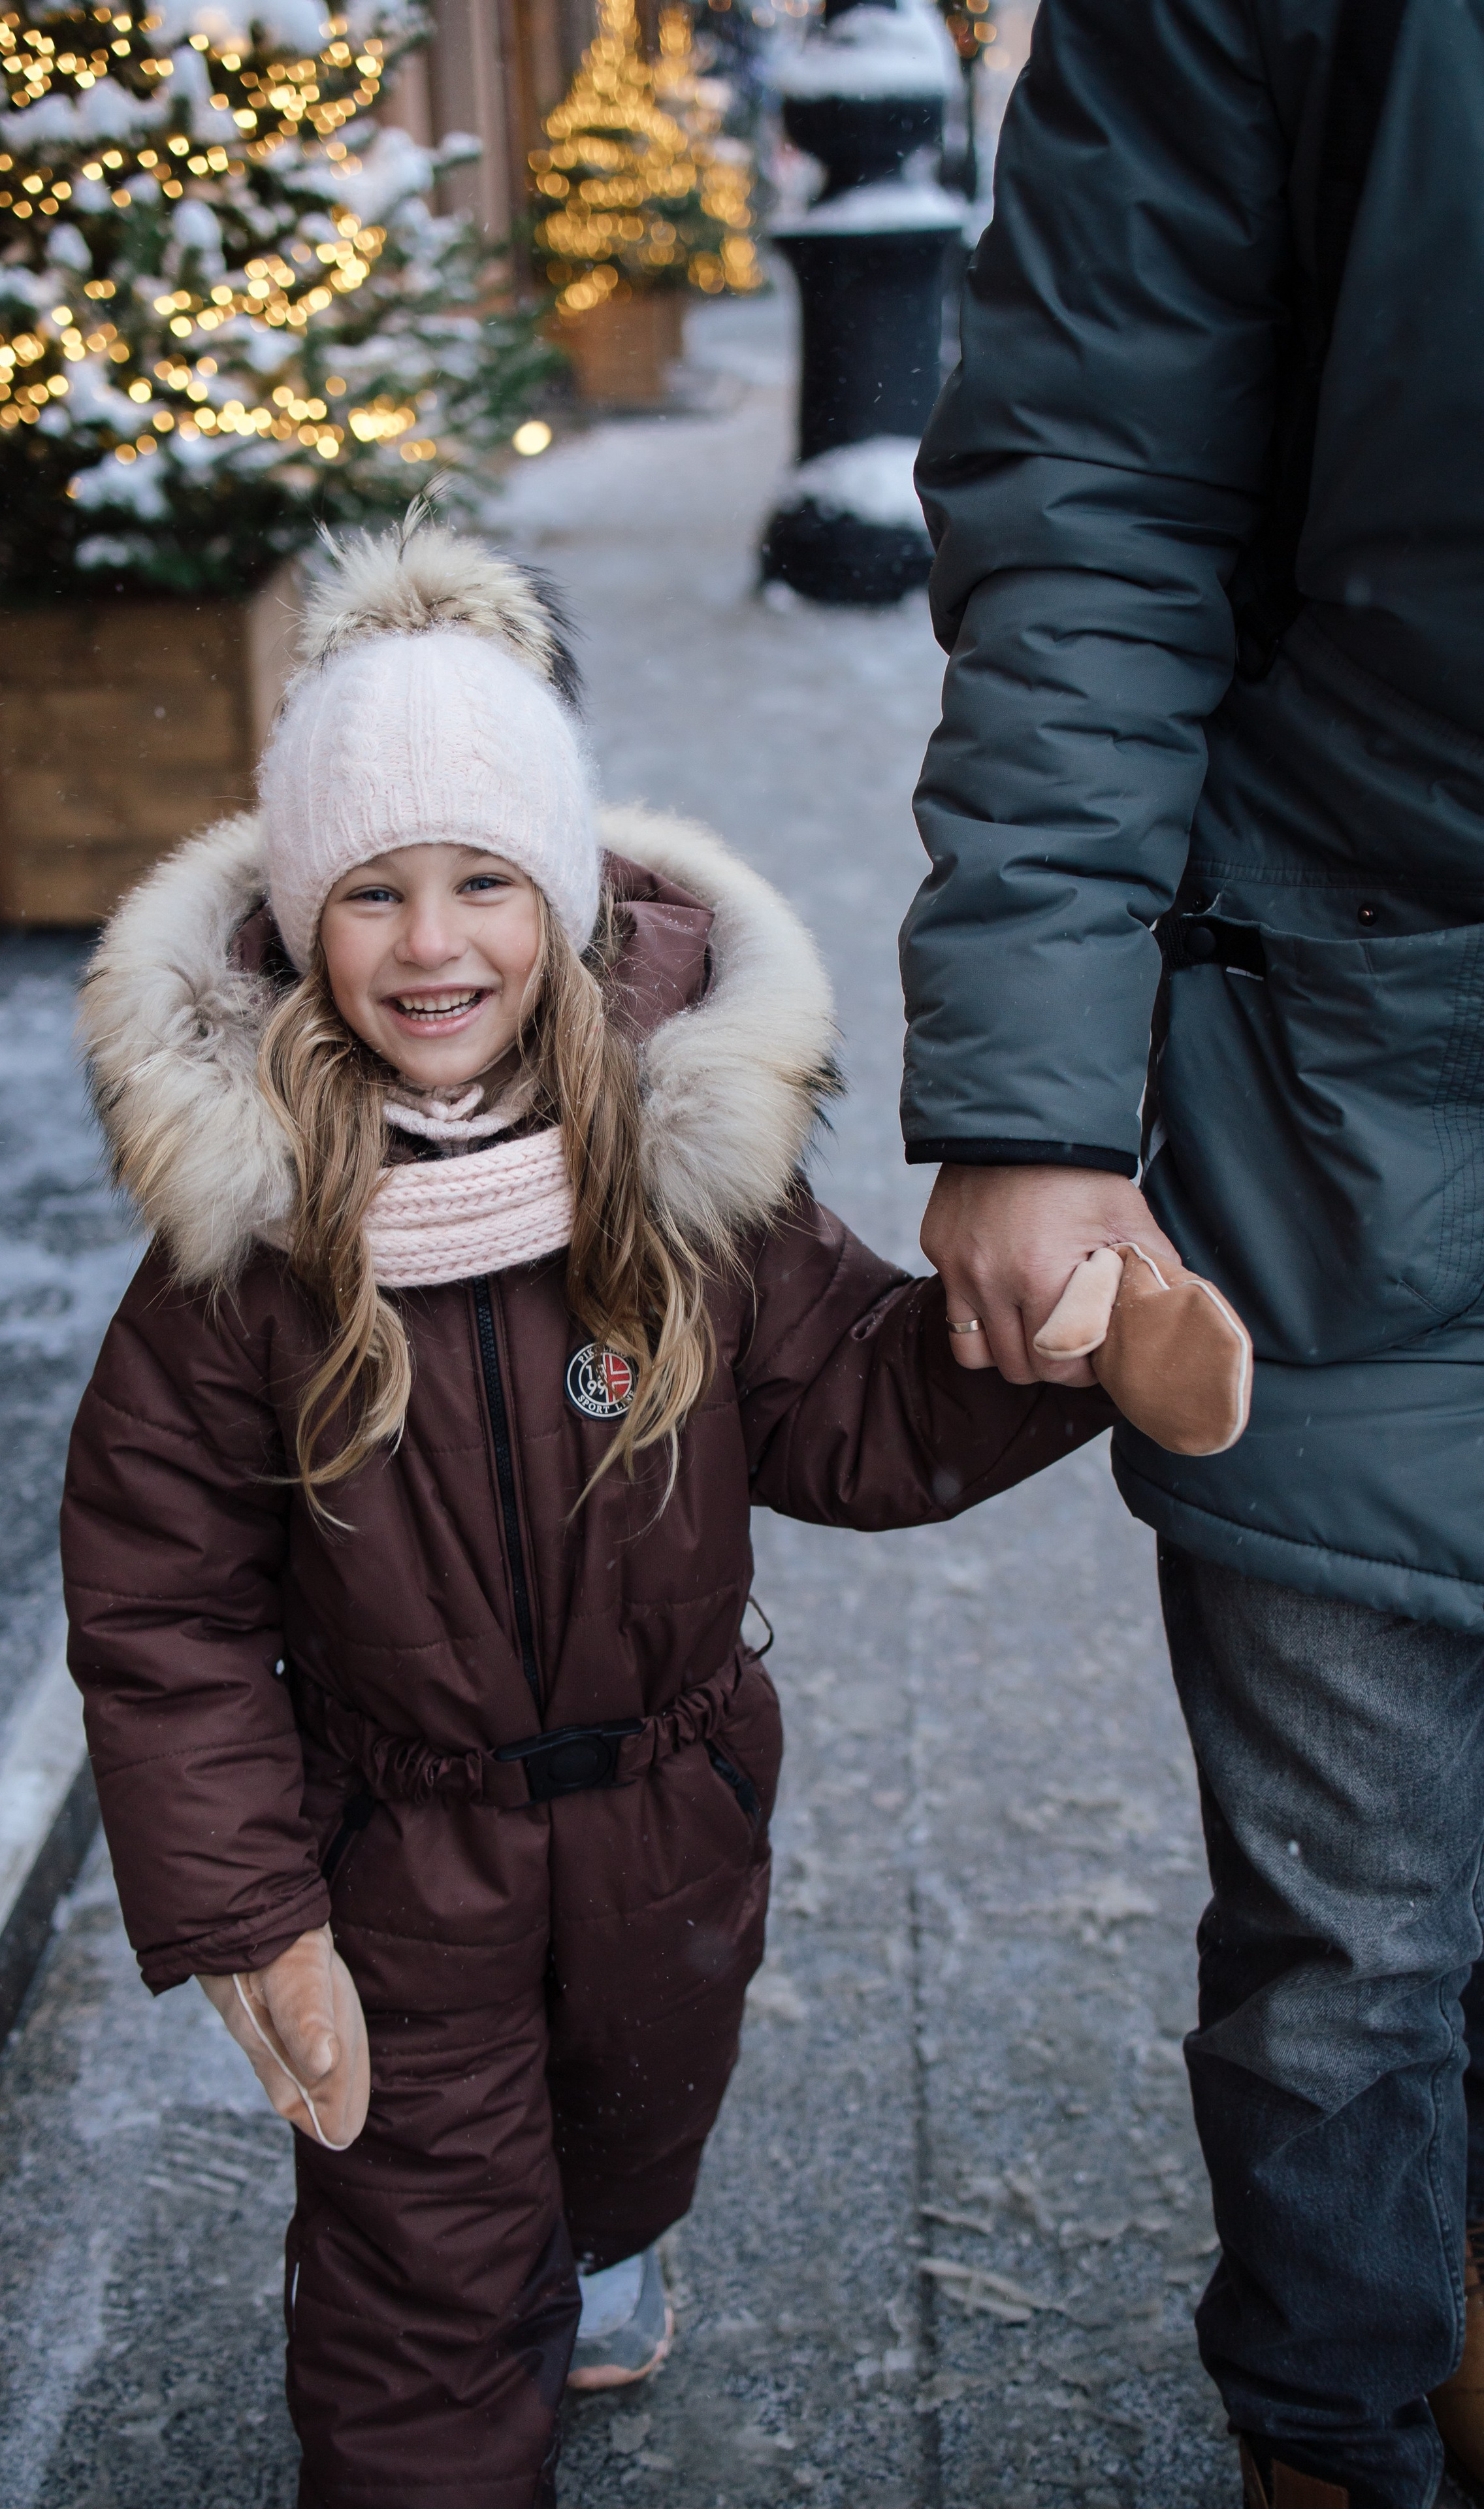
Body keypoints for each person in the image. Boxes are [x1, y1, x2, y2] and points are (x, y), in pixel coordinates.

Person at [60, 519, 1111, 2506]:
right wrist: (254, 1906)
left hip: (670, 1806)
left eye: (484, 883)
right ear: (300, 920)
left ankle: (604, 2233)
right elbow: (162, 1606)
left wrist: (1047, 1353)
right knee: (420, 2288)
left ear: (563, 895)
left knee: (633, 2123)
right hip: (398, 1857)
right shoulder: (252, 1259)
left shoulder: (678, 1183)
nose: (434, 944)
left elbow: (847, 1408)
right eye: (372, 892)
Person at [897, 0, 1484, 2502]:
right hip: (1353, 1037)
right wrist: (1034, 1098)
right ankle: (1335, 2433)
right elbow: (1100, 486)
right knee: (1359, 1927)